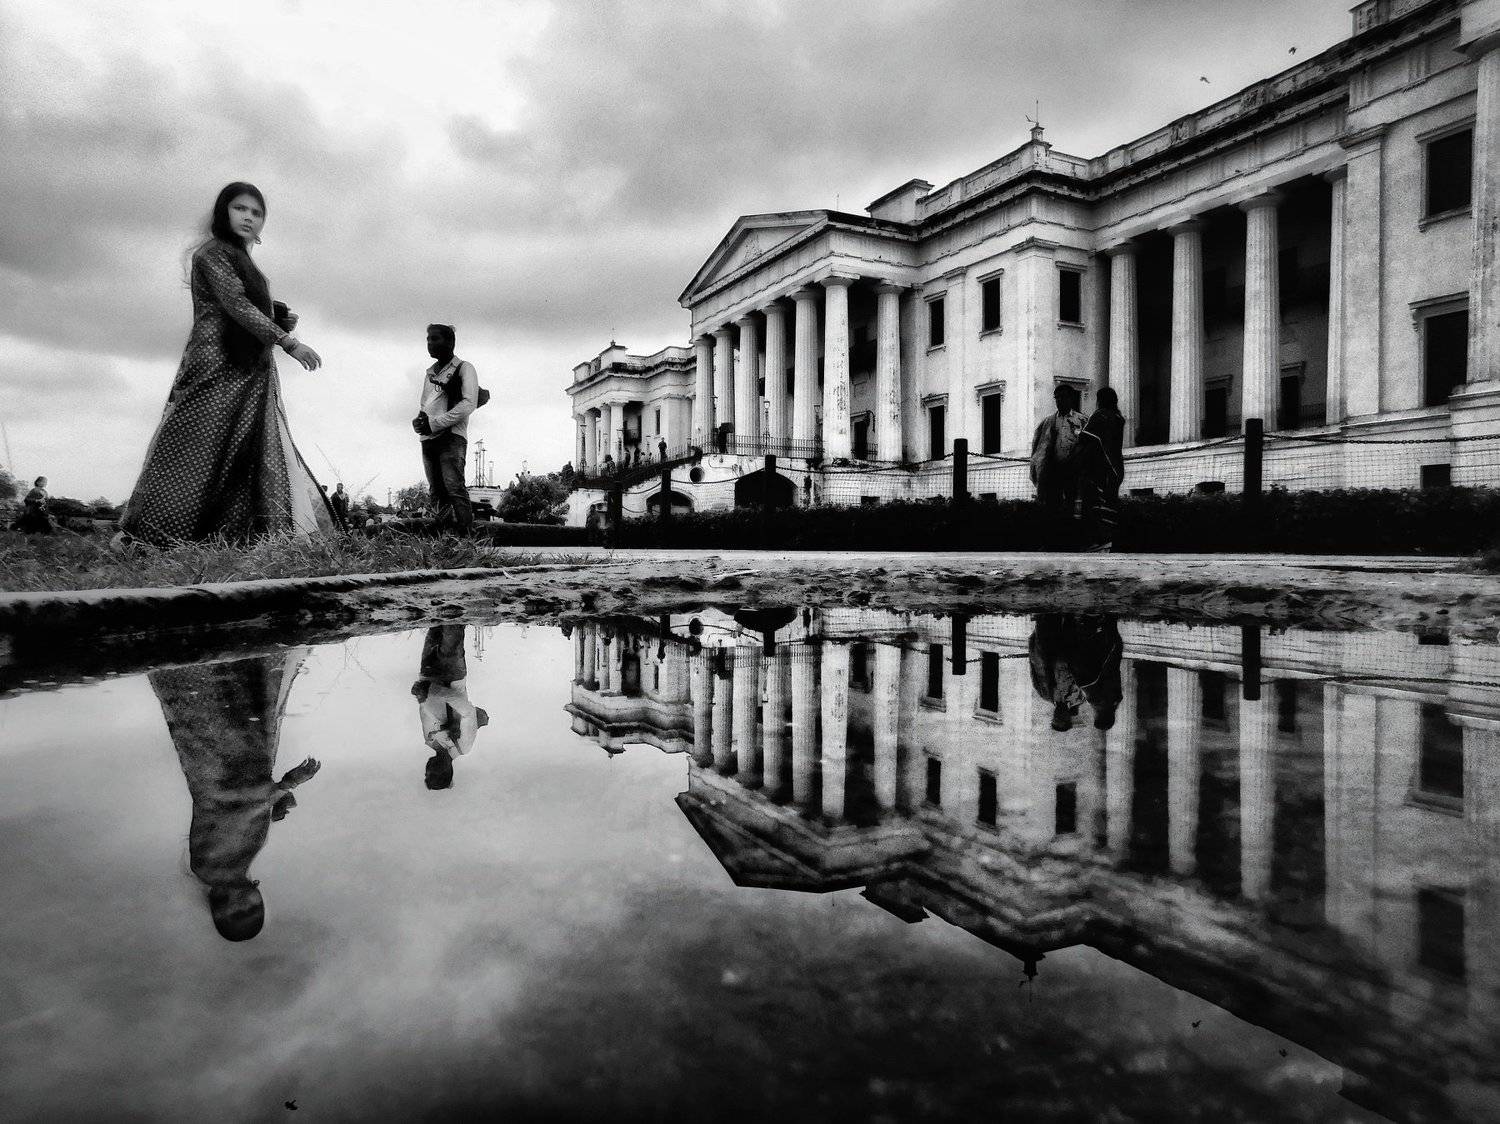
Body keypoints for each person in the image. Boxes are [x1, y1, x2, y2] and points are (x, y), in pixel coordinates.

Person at [119, 183, 337, 547]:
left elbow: (245, 306)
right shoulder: (212, 255)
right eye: (240, 208)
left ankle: (227, 538)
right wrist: (288, 341)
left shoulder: (240, 258)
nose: (249, 217)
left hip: (248, 369)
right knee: (194, 450)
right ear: (224, 212)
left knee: (241, 452)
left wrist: (276, 317)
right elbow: (234, 305)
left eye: (257, 212)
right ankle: (153, 538)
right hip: (215, 364)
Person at [150, 651, 319, 941]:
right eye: (254, 909)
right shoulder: (236, 866)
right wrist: (273, 810)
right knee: (243, 700)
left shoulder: (212, 868)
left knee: (217, 704)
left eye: (238, 913)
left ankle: (203, 653)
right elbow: (241, 823)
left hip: (220, 769)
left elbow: (232, 814)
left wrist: (285, 786)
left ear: (219, 908)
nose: (247, 905)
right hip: (237, 769)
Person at [413, 324, 478, 535]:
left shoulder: (464, 368)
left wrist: (436, 423)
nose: (430, 343)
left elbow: (469, 404)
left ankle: (467, 541)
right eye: (428, 339)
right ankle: (443, 541)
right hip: (428, 438)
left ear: (450, 342)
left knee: (455, 489)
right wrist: (419, 422)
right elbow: (425, 405)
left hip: (452, 437)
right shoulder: (429, 372)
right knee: (436, 492)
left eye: (435, 339)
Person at [411, 624, 489, 789]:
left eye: (426, 774)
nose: (427, 770)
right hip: (452, 673)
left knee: (434, 622)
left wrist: (419, 695)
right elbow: (468, 712)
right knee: (452, 621)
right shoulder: (463, 746)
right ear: (446, 772)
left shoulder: (430, 740)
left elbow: (426, 708)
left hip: (427, 673)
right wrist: (433, 690)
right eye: (432, 774)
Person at [1079, 387, 1126, 552]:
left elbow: (1085, 437)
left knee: (1094, 503)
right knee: (1110, 502)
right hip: (1116, 468)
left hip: (1099, 468)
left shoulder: (1099, 416)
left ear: (1100, 400)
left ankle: (1097, 541)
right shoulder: (1119, 418)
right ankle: (1110, 540)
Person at [1030, 384, 1087, 516]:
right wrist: (1036, 466)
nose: (1059, 401)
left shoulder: (1081, 420)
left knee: (1070, 504)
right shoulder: (1048, 421)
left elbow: (1086, 445)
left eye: (1063, 397)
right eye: (1057, 398)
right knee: (1052, 505)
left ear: (1071, 399)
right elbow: (1038, 446)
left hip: (1073, 470)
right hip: (1053, 470)